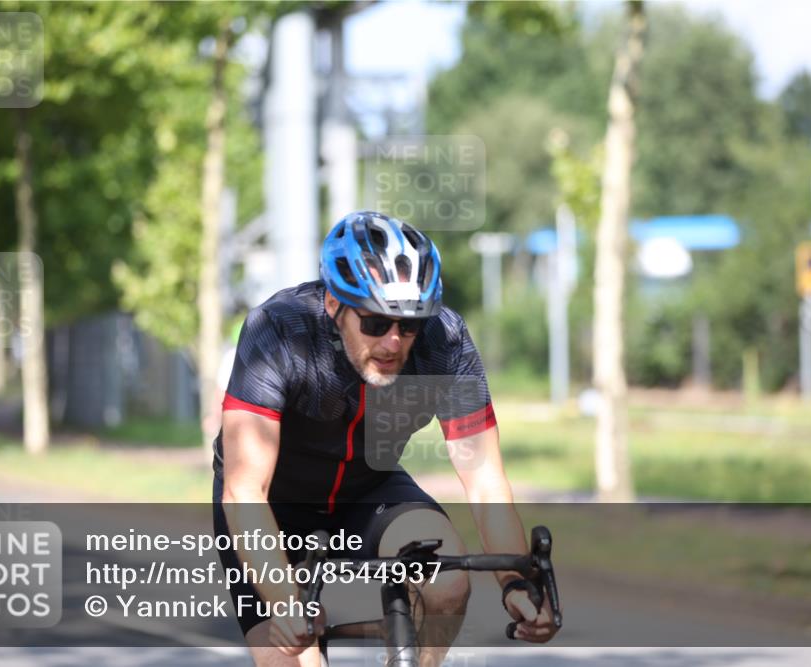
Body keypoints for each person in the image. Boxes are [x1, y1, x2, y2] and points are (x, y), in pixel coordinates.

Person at [213, 211, 557, 667]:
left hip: (368, 488)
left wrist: (516, 583)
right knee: (295, 658)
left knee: (449, 582)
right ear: (336, 305)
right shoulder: (280, 330)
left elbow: (485, 481)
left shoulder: (445, 343)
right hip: (274, 501)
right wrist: (284, 602)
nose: (394, 342)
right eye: (375, 323)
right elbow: (245, 489)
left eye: (409, 325)